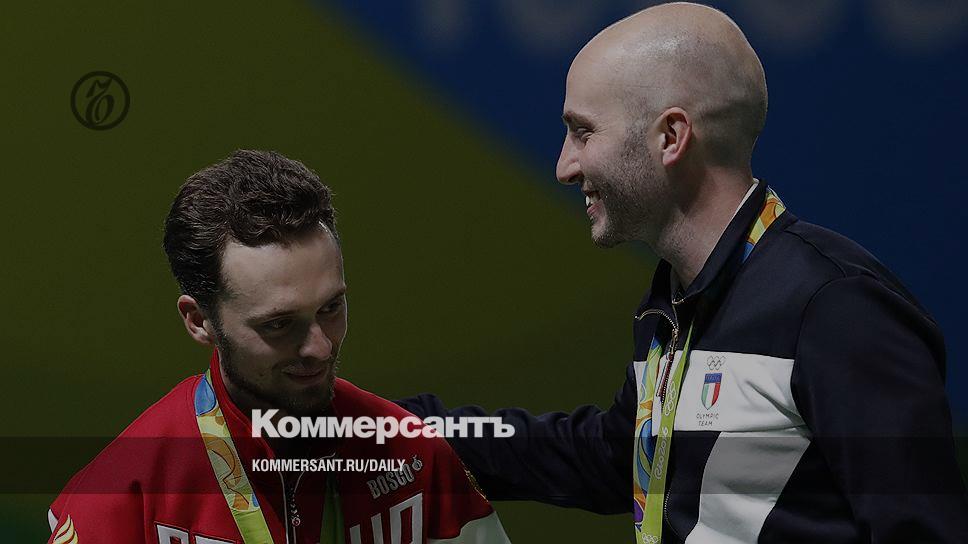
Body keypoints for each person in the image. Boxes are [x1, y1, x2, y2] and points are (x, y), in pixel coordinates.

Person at [398, 3, 968, 543]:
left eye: (583, 132)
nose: (564, 166)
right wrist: (399, 427)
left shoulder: (835, 307)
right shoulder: (676, 302)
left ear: (671, 137)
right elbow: (611, 457)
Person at [47, 150, 510, 544]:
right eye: (279, 325)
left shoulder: (414, 457)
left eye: (331, 308)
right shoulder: (123, 496)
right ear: (199, 321)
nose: (319, 348)